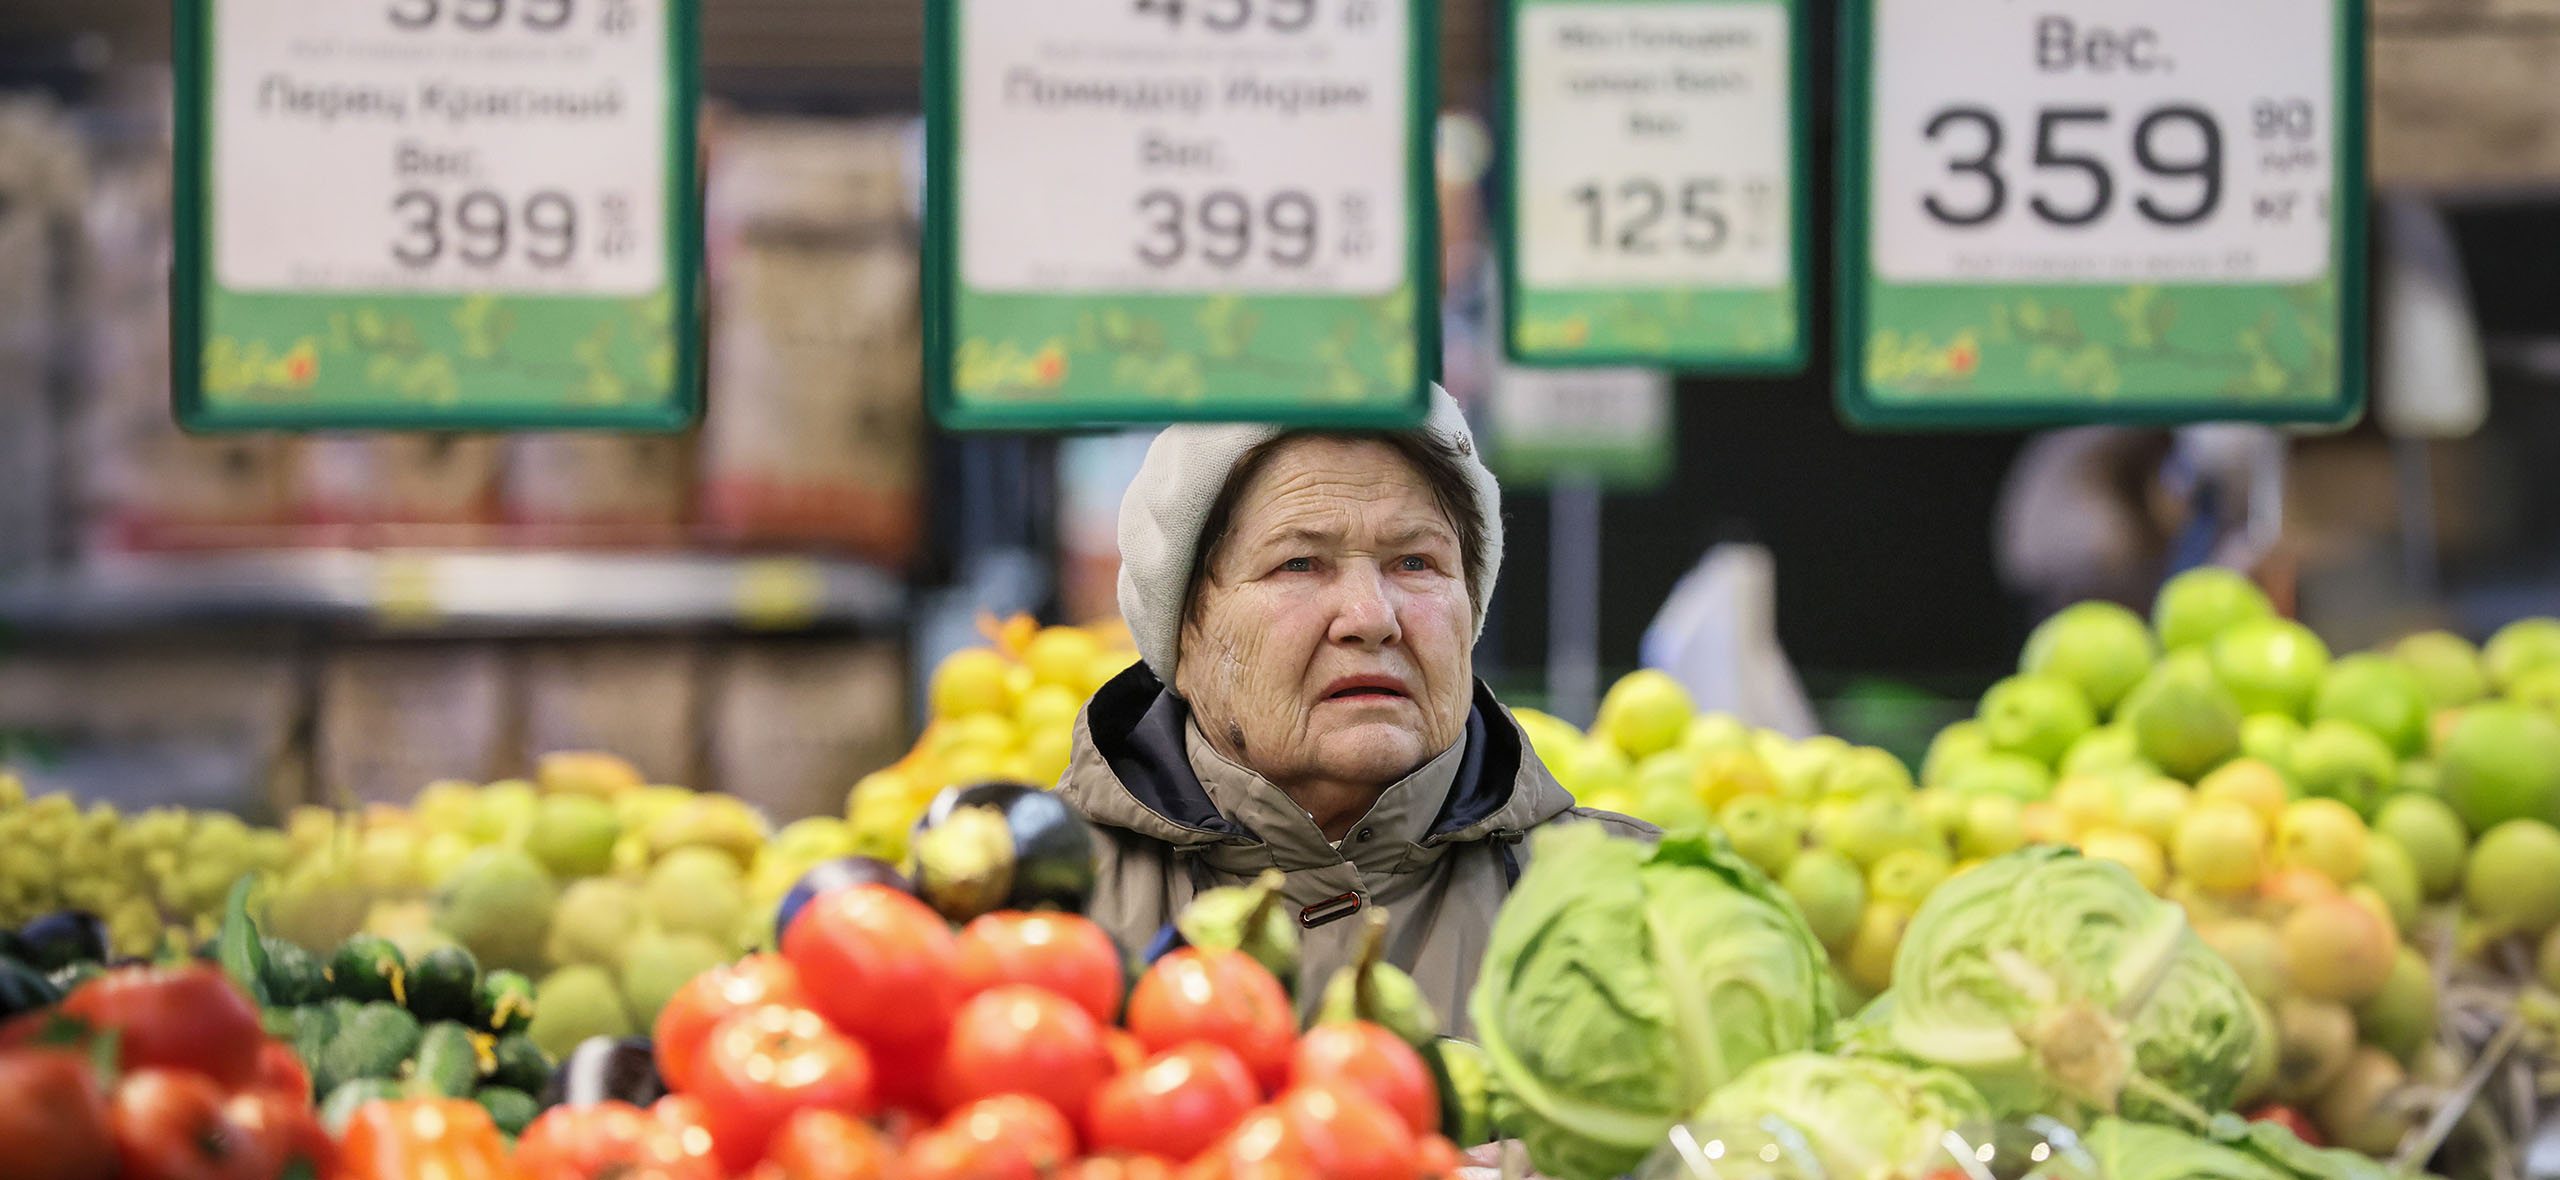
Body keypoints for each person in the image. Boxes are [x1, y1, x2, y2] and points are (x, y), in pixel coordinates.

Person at [1056, 387, 1652, 1036]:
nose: (1372, 618)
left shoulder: (1642, 909)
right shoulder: (1042, 910)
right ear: (1188, 630)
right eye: (1300, 563)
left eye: (1416, 562)